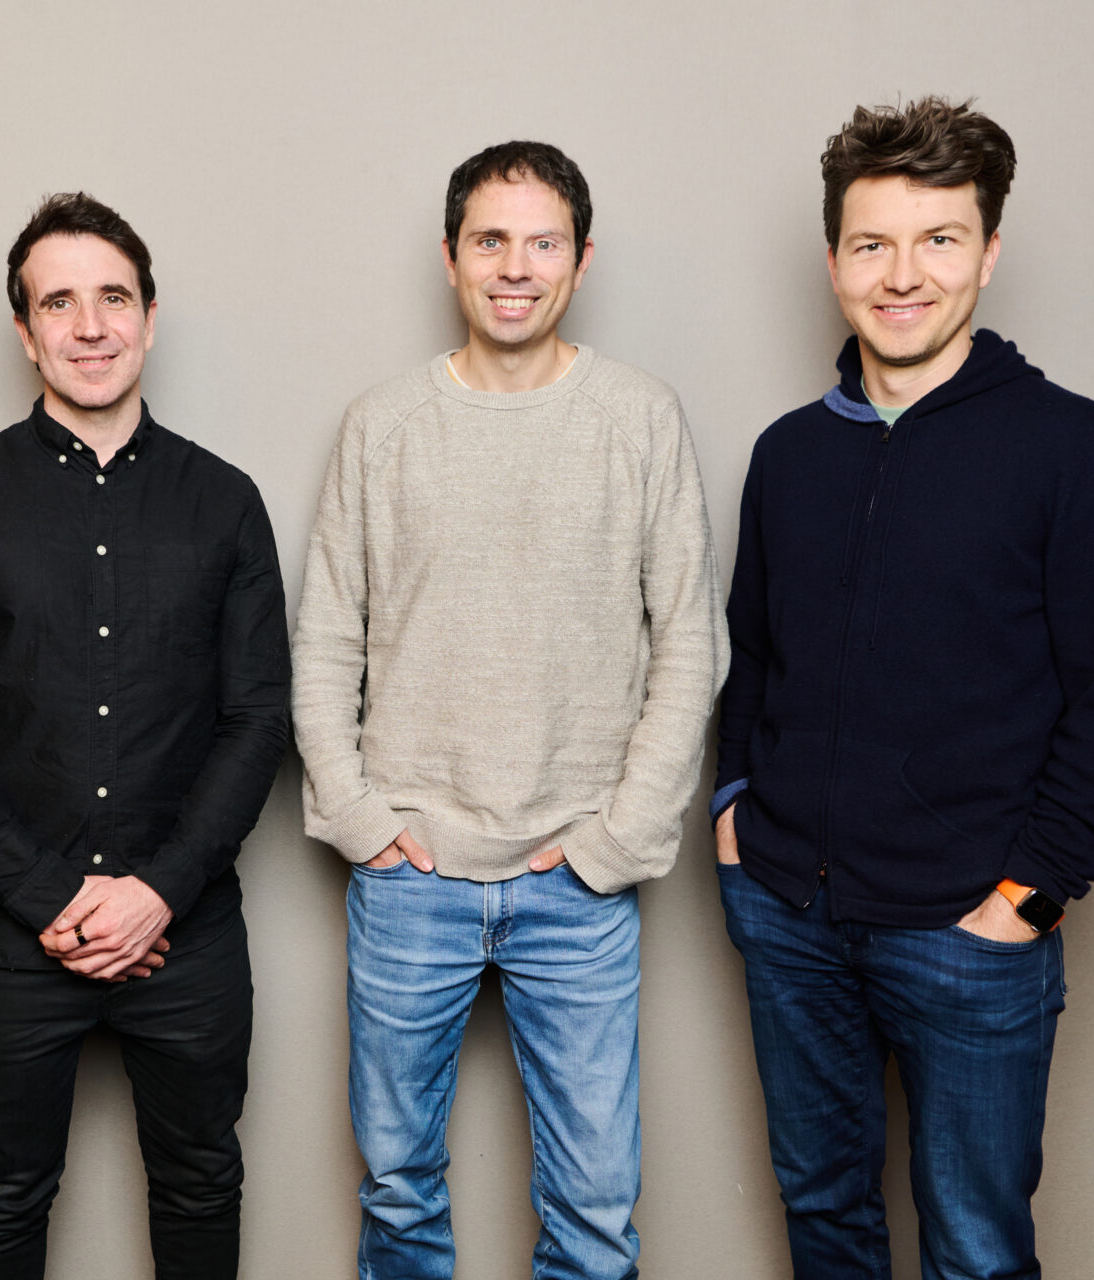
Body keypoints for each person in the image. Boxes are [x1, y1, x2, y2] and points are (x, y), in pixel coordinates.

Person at [712, 96, 1094, 1280]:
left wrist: (1032, 892)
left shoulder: (1074, 449)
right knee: (823, 1214)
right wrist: (734, 811)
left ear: (989, 252)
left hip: (972, 930)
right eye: (872, 243)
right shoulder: (789, 453)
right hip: (790, 914)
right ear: (833, 261)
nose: (903, 274)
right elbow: (752, 651)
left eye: (939, 239)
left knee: (974, 1249)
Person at [291, 140, 727, 1280]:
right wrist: (362, 820)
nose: (516, 267)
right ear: (450, 257)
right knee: (397, 1188)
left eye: (543, 243)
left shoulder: (640, 417)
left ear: (582, 259)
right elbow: (326, 639)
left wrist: (616, 840)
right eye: (491, 241)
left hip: (578, 880)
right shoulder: (382, 424)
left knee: (594, 1207)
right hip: (410, 880)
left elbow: (689, 644)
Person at [0, 191, 289, 1280]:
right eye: (58, 302)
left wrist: (159, 890)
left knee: (201, 1178)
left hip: (186, 932)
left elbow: (257, 717)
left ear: (150, 316)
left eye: (113, 297)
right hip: (8, 937)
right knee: (2, 1193)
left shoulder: (226, 503)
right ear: (25, 330)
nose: (90, 325)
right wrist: (53, 895)